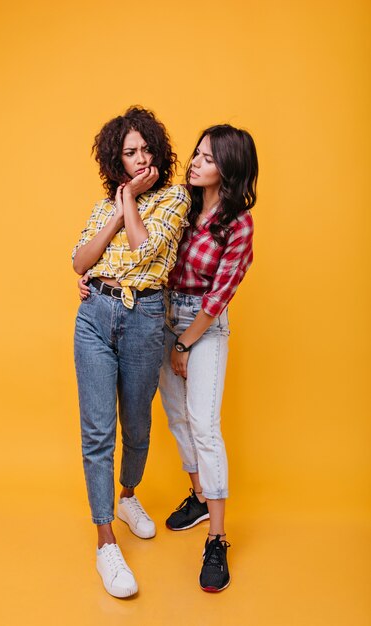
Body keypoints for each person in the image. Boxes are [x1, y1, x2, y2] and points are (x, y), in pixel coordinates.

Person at [72, 106, 190, 598]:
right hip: (95, 314)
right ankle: (105, 543)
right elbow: (80, 259)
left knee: (136, 425)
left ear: (157, 151)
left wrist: (135, 202)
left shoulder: (176, 198)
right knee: (98, 431)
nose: (140, 158)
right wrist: (119, 208)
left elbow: (144, 252)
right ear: (115, 160)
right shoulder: (105, 205)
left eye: (145, 149)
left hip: (143, 320)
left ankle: (127, 497)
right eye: (129, 152)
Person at [159, 124, 258, 592]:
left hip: (204, 326)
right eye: (196, 154)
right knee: (177, 418)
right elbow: (141, 253)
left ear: (230, 170)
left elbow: (218, 297)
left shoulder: (238, 224)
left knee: (203, 424)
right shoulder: (179, 206)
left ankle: (217, 538)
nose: (194, 163)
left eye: (208, 158)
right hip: (161, 317)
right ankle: (199, 495)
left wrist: (183, 345)